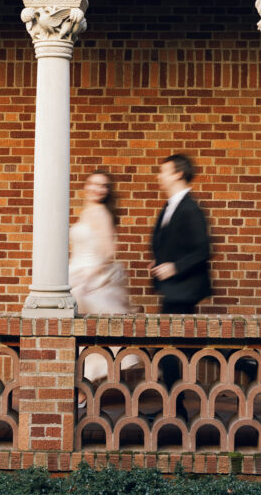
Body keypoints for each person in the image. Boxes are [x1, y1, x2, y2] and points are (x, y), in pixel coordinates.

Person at [70, 170, 137, 383]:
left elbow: (109, 250)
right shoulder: (86, 212)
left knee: (87, 336)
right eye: (93, 184)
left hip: (89, 280)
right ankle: (79, 384)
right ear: (85, 186)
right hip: (75, 273)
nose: (97, 189)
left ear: (107, 191)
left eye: (103, 185)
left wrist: (91, 275)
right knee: (79, 336)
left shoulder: (100, 213)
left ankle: (83, 385)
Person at [150, 153, 211, 314]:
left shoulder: (190, 208)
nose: (159, 176)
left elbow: (203, 251)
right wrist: (159, 261)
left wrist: (174, 267)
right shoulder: (170, 206)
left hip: (185, 290)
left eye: (164, 172)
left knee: (177, 335)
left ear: (178, 174)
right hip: (174, 289)